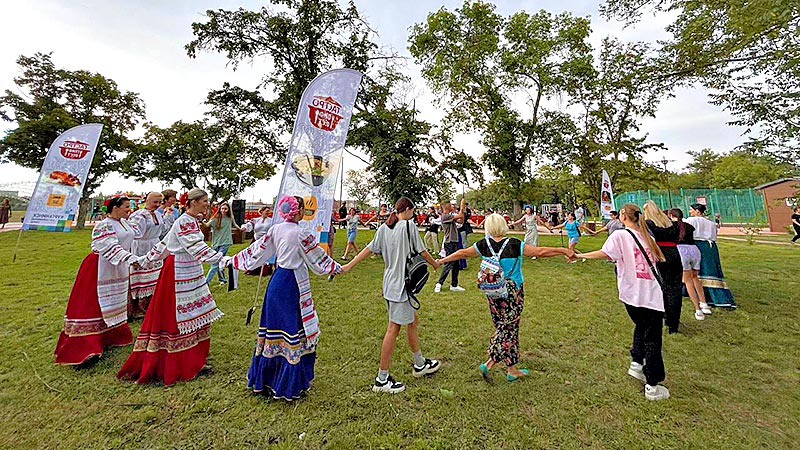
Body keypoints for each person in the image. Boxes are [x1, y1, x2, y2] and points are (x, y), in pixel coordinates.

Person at [222, 195, 345, 400]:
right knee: (292, 329)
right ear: (299, 211)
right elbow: (318, 259)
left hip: (277, 282)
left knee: (274, 329)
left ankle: (267, 379)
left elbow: (256, 252)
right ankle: (288, 383)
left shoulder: (275, 229)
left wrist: (233, 260)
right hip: (291, 285)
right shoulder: (301, 233)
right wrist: (338, 268)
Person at [437, 213, 576, 382]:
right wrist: (562, 250)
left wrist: (442, 261)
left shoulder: (483, 244)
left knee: (506, 326)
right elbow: (540, 252)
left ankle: (512, 370)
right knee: (508, 328)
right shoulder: (514, 244)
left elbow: (462, 253)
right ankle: (490, 362)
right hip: (513, 292)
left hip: (492, 291)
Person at [117, 188, 226, 386]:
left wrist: (145, 260)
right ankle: (179, 361)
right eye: (204, 201)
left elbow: (165, 244)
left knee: (194, 312)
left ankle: (194, 357)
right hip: (178, 271)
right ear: (193, 202)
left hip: (190, 269)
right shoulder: (184, 221)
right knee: (177, 315)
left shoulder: (191, 220)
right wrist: (223, 259)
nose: (207, 204)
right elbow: (195, 247)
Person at [343, 197, 441, 394]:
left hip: (391, 285)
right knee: (393, 330)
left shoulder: (383, 228)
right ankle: (382, 379)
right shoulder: (409, 226)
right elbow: (422, 252)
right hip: (401, 287)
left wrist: (349, 266)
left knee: (412, 321)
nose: (413, 214)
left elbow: (368, 249)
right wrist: (436, 264)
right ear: (407, 209)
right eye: (413, 210)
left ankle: (420, 363)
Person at [578, 204, 671, 401]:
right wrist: (581, 255)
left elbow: (606, 254)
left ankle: (637, 363)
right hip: (649, 294)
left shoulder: (625, 235)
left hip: (633, 295)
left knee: (643, 328)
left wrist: (580, 255)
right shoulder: (645, 237)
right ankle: (652, 384)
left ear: (623, 216)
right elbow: (607, 253)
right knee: (652, 338)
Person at [55, 196, 142, 365]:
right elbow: (109, 246)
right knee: (94, 303)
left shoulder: (125, 223)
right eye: (126, 206)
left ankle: (110, 335)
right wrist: (132, 259)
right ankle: (86, 344)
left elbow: (136, 236)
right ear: (115, 208)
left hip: (117, 266)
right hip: (99, 266)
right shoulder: (104, 225)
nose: (129, 209)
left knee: (113, 300)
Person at [128, 192, 172, 318]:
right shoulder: (139, 215)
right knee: (140, 276)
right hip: (141, 246)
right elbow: (136, 233)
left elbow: (164, 231)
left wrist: (168, 217)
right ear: (147, 201)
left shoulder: (158, 214)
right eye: (155, 202)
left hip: (154, 244)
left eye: (159, 202)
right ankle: (137, 308)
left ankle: (150, 306)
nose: (157, 205)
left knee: (154, 276)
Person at [643, 201, 685, 333]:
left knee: (662, 287)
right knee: (675, 288)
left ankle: (665, 315)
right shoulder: (670, 224)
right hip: (674, 254)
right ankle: (673, 322)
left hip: (660, 254)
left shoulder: (649, 224)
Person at [685, 204, 736, 309]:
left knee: (698, 270)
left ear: (697, 211)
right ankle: (716, 295)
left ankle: (701, 294)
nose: (690, 212)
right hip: (711, 247)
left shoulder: (691, 220)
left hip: (698, 245)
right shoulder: (711, 223)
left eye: (691, 210)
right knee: (711, 269)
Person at [668, 208, 713, 322]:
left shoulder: (671, 226)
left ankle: (697, 309)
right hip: (694, 250)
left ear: (671, 215)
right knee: (695, 278)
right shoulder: (688, 225)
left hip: (682, 251)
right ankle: (704, 303)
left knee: (687, 281)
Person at [202, 202, 242, 285]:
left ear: (228, 210)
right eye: (222, 208)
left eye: (225, 209)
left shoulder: (230, 218)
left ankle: (206, 283)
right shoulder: (215, 218)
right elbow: (207, 225)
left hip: (226, 243)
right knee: (220, 261)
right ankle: (223, 279)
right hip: (216, 243)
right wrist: (201, 221)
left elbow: (235, 225)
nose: (224, 210)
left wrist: (241, 229)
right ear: (220, 209)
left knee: (215, 264)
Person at [434, 197, 467, 293]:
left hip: (454, 242)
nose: (452, 206)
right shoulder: (445, 216)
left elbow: (461, 221)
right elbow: (459, 215)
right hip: (450, 243)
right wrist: (461, 207)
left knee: (456, 264)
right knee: (449, 263)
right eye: (451, 205)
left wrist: (462, 210)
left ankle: (454, 285)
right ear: (447, 207)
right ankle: (439, 283)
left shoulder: (450, 216)